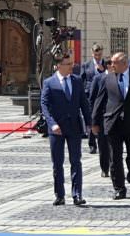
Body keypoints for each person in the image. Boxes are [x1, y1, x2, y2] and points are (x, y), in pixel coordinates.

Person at [92, 52, 130, 200]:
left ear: (124, 63)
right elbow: (100, 100)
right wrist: (94, 122)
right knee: (114, 158)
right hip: (113, 123)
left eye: (115, 63)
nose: (111, 65)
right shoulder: (107, 78)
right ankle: (119, 188)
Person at [40, 54, 91, 206]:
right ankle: (60, 195)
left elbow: (84, 103)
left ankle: (77, 194)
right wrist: (52, 124)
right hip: (56, 129)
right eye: (68, 64)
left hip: (74, 127)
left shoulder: (77, 81)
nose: (71, 66)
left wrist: (89, 123)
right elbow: (44, 106)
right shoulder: (49, 82)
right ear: (58, 66)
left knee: (76, 161)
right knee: (57, 163)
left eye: (71, 63)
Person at [81, 44, 107, 154]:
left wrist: (103, 70)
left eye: (100, 54)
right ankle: (92, 144)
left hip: (104, 95)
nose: (98, 57)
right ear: (92, 53)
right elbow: (82, 80)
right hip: (90, 95)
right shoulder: (86, 65)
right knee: (91, 118)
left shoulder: (106, 64)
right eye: (96, 55)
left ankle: (104, 142)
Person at [88, 71, 110, 178]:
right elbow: (93, 99)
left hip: (117, 118)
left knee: (115, 146)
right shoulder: (99, 79)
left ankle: (114, 168)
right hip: (102, 117)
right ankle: (105, 168)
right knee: (103, 145)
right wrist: (94, 120)